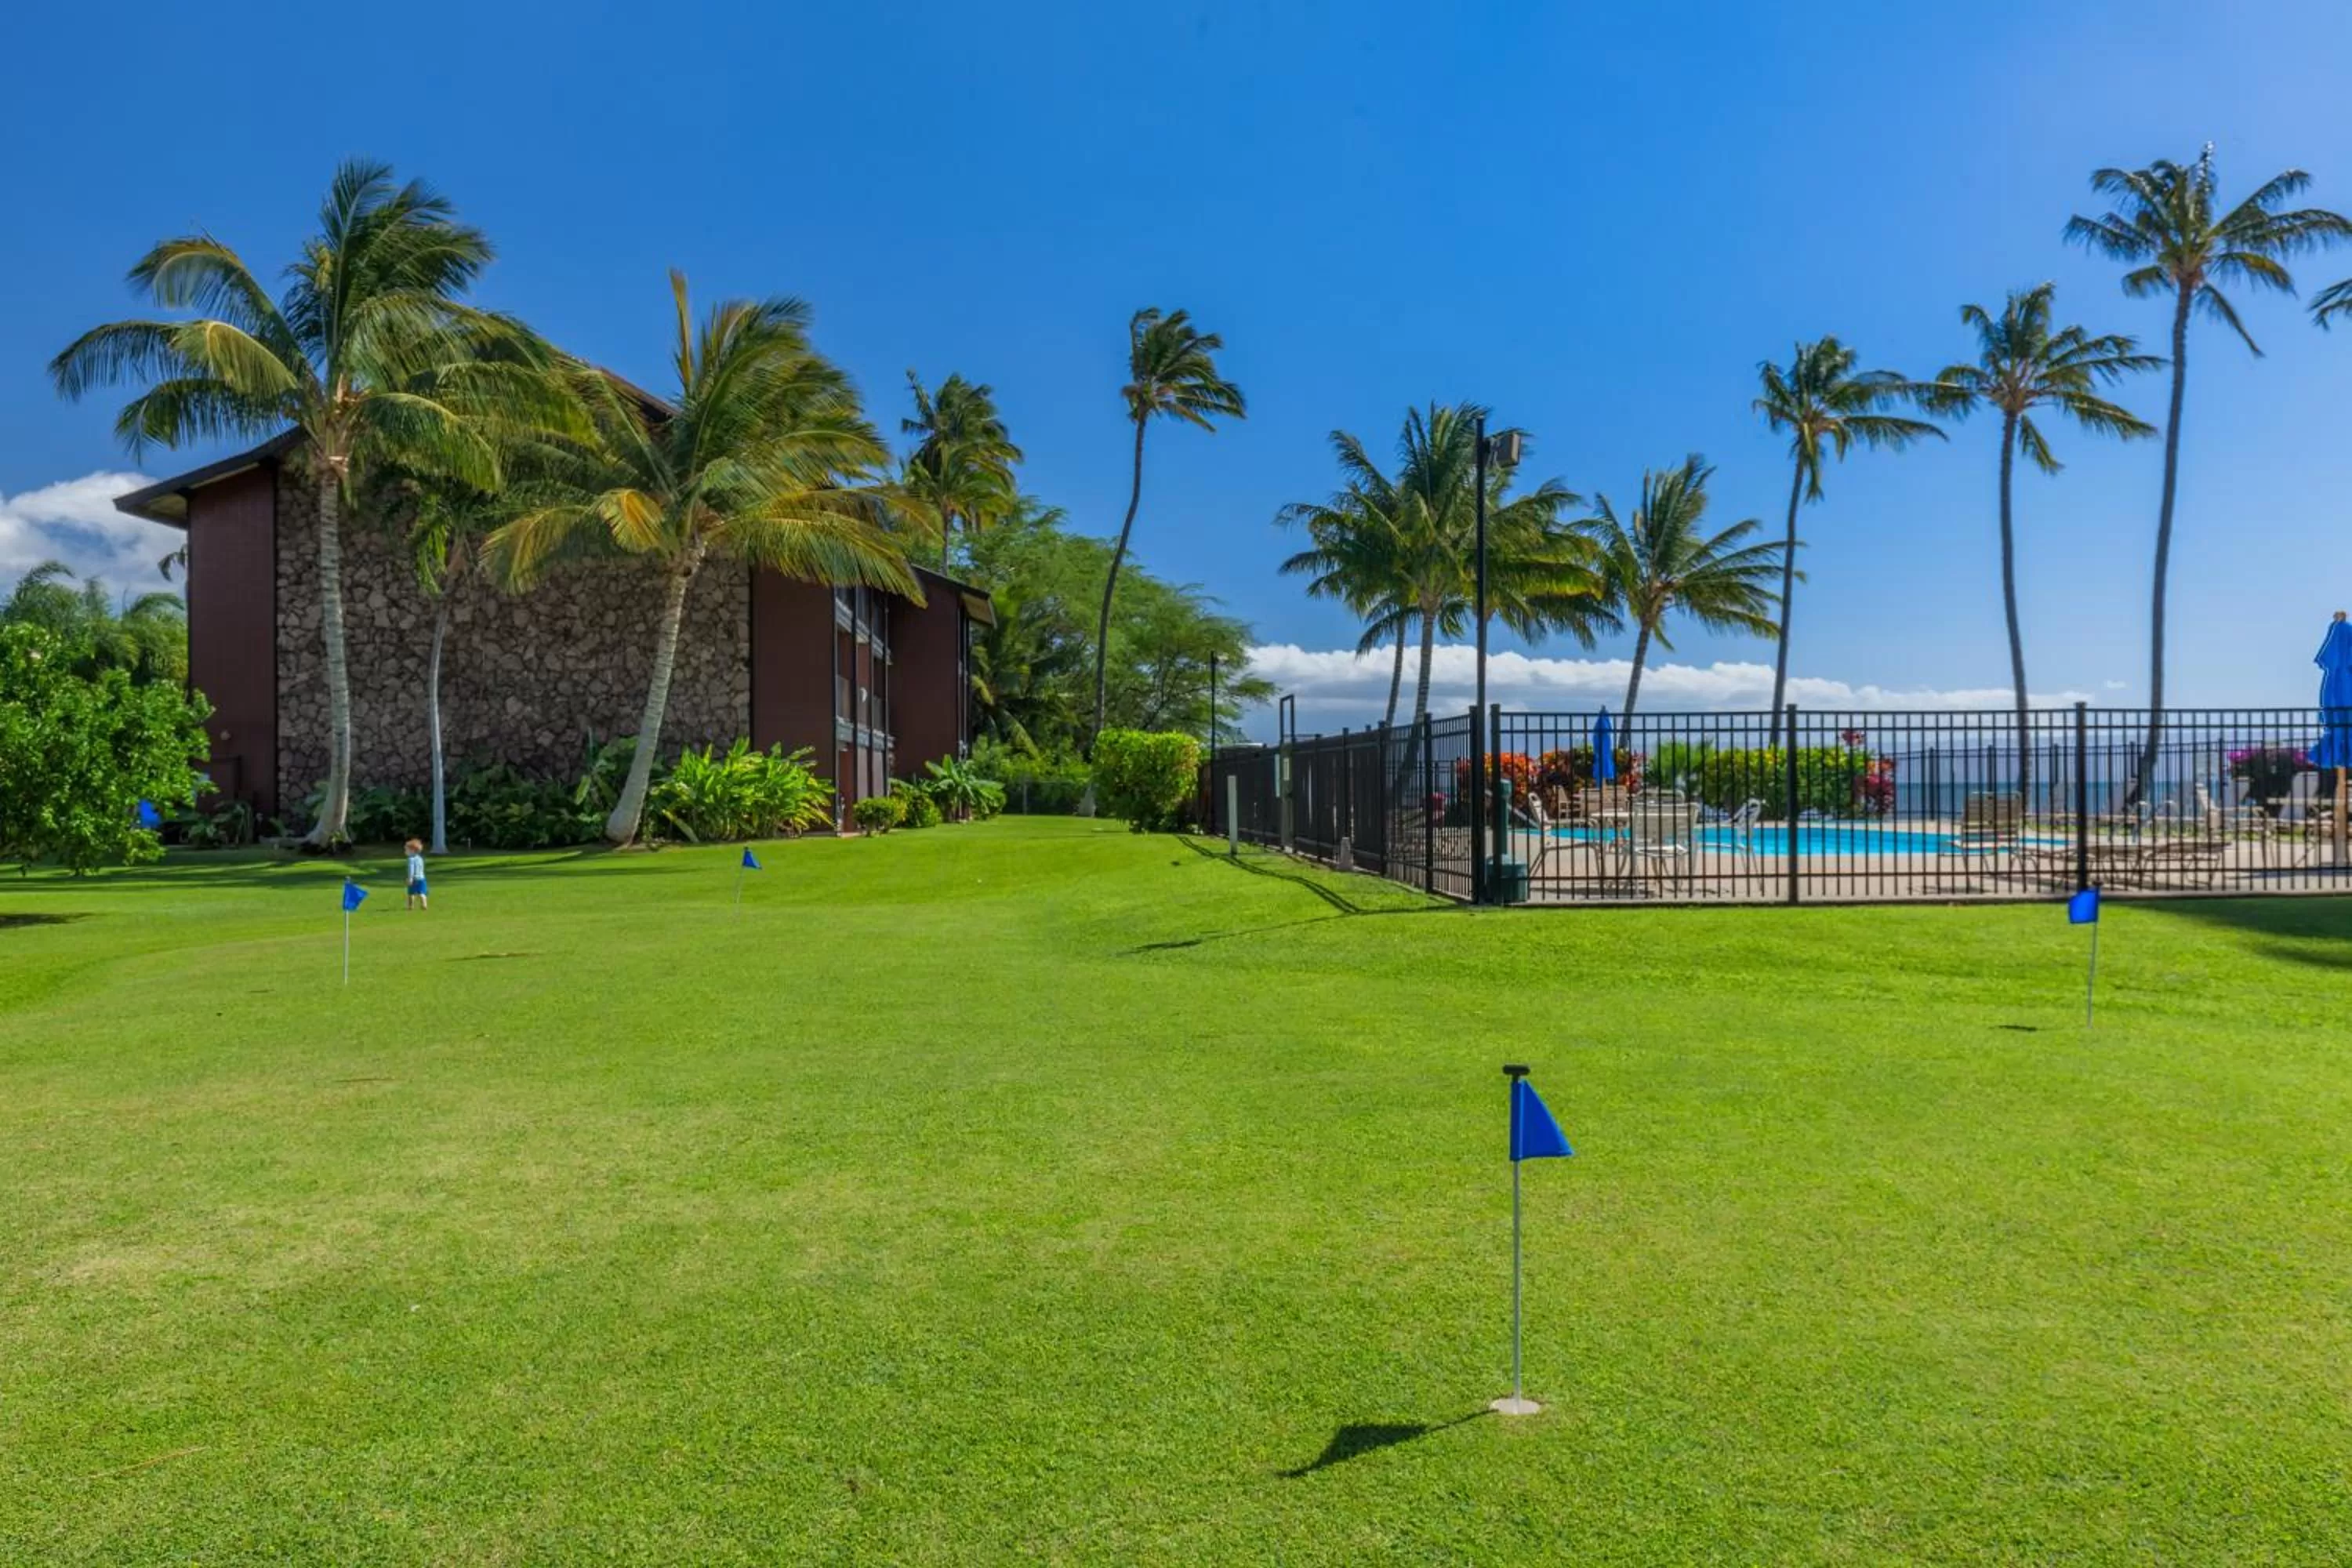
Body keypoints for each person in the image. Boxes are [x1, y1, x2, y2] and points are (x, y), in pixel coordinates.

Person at [405, 838, 430, 911]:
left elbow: (411, 870)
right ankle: (424, 904)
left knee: (411, 893)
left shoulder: (411, 859)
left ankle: (411, 906)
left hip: (414, 879)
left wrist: (410, 878)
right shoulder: (420, 859)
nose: (405, 851)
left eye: (407, 850)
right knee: (422, 893)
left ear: (412, 850)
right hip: (422, 878)